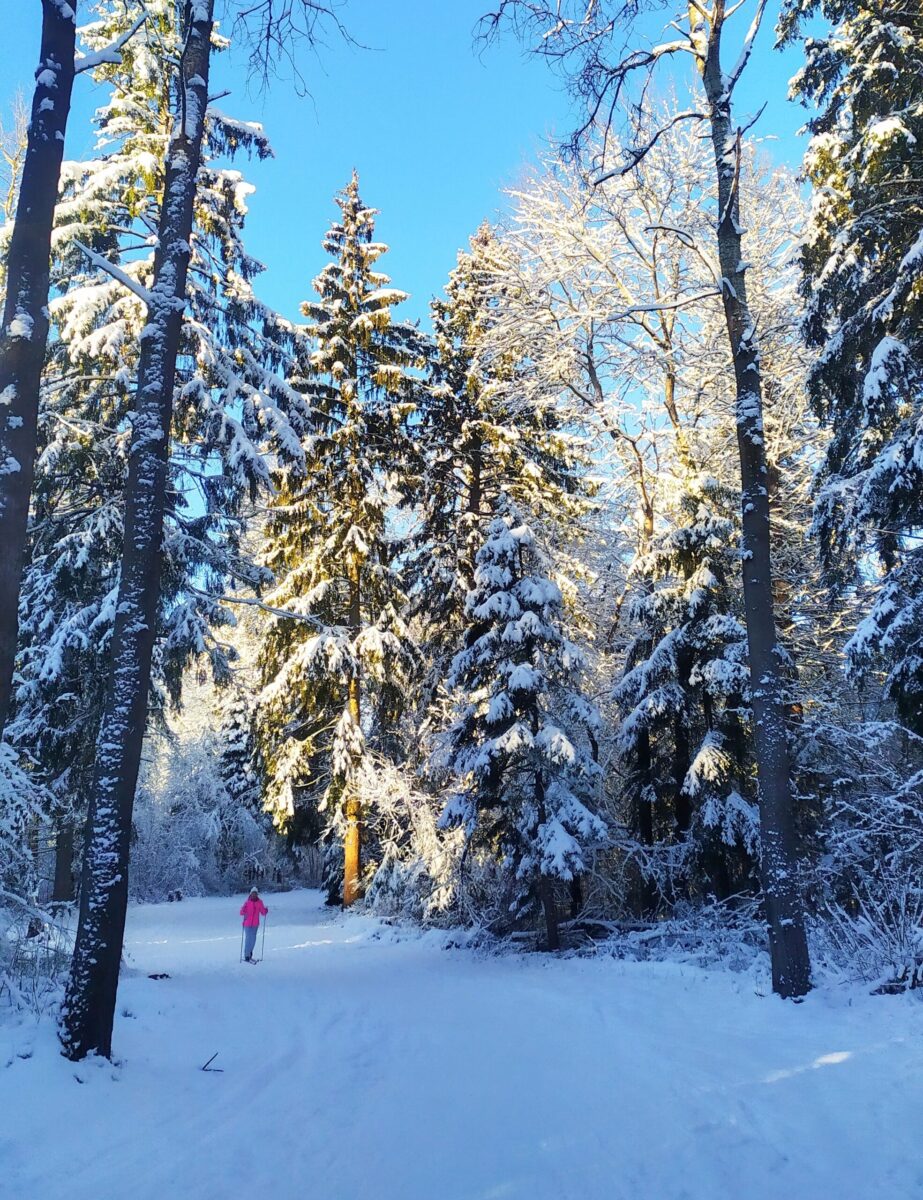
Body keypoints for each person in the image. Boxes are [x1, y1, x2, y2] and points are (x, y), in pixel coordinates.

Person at [240, 887, 268, 962]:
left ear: (257, 894)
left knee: (253, 939)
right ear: (250, 894)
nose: (254, 895)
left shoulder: (260, 902)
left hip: (255, 924)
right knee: (248, 939)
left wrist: (265, 910)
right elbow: (241, 912)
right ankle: (246, 955)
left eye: (255, 893)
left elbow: (262, 913)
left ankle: (250, 952)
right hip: (247, 923)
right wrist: (243, 909)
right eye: (253, 893)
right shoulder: (247, 902)